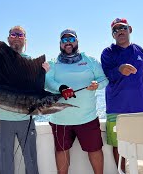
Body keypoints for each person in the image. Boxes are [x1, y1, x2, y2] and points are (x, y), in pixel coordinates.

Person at [43, 29, 108, 174]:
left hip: (87, 117)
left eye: (71, 39)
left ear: (77, 41)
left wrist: (97, 85)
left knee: (95, 149)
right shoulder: (53, 63)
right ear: (60, 44)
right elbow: (47, 83)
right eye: (64, 40)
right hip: (60, 119)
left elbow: (103, 79)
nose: (68, 43)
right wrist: (61, 88)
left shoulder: (90, 60)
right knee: (61, 151)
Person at [101, 18, 143, 172]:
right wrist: (119, 69)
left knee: (142, 144)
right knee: (118, 147)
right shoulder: (107, 53)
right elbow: (108, 75)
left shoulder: (140, 51)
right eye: (115, 30)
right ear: (112, 35)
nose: (119, 31)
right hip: (116, 110)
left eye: (122, 28)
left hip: (140, 109)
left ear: (130, 29)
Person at [0, 26, 39, 174]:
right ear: (8, 39)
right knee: (5, 161)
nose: (17, 37)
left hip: (26, 119)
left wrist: (44, 73)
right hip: (3, 119)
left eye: (20, 35)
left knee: (31, 160)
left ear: (25, 40)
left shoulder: (31, 62)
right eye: (13, 35)